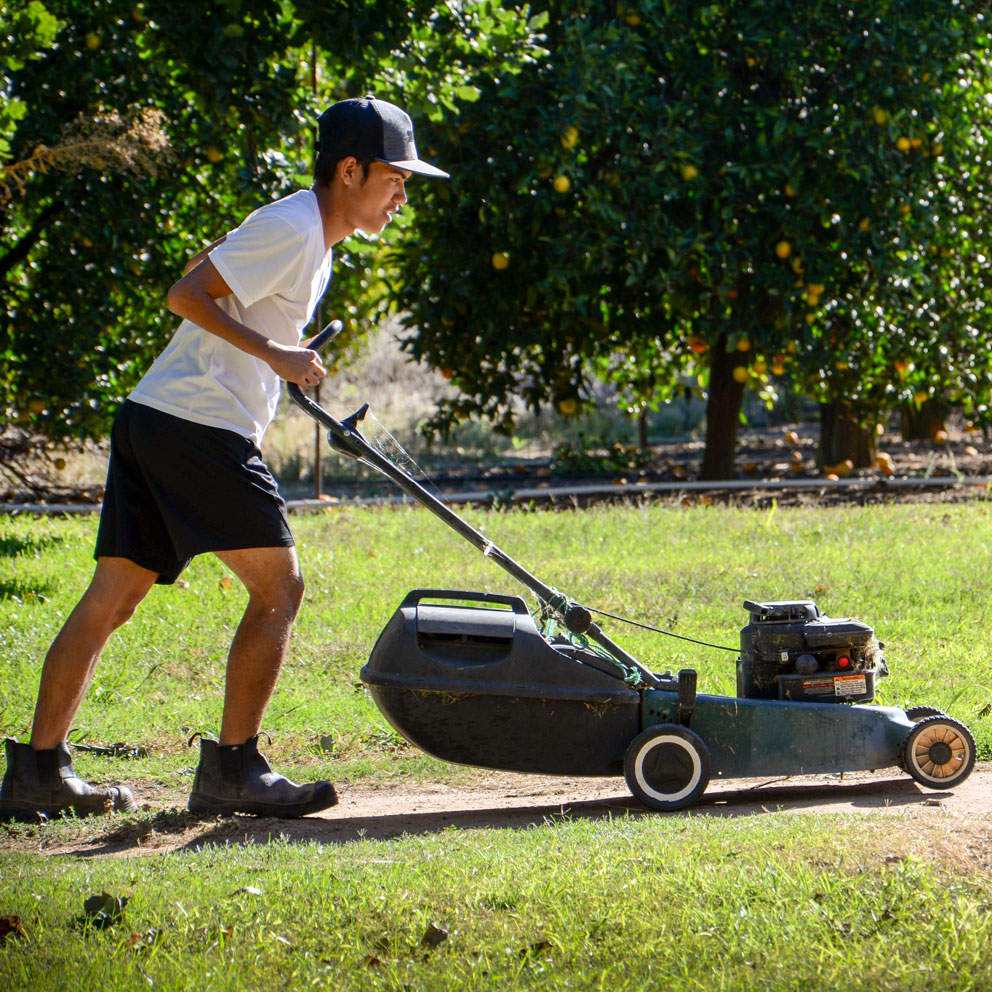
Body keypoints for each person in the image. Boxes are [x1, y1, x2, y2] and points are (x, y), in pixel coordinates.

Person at [0, 95, 448, 822]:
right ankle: (234, 769)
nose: (403, 194)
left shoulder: (307, 232)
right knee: (281, 588)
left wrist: (273, 359)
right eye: (396, 177)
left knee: (113, 599)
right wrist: (274, 354)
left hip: (160, 418)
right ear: (349, 169)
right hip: (195, 427)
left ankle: (38, 774)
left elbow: (203, 274)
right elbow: (185, 293)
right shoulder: (296, 227)